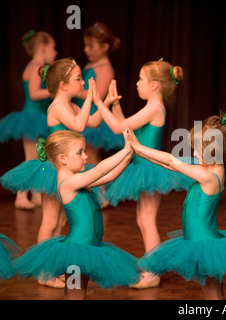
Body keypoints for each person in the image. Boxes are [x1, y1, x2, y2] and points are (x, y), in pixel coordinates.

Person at [0, 58, 109, 288]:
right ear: (63, 85)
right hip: (52, 171)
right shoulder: (58, 107)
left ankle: (52, 267)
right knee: (50, 220)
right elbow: (78, 126)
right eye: (78, 79)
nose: (83, 83)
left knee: (60, 220)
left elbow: (92, 121)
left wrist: (104, 101)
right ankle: (43, 273)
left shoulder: (71, 105)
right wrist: (89, 98)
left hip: (67, 170)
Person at [131, 113, 226, 299]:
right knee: (212, 289)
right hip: (200, 240)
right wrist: (140, 151)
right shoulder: (212, 167)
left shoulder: (209, 176)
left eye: (198, 150)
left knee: (212, 291)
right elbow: (170, 165)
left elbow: (171, 161)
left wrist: (139, 148)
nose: (194, 154)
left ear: (213, 151)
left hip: (203, 243)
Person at [93, 59, 194, 288]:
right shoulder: (152, 106)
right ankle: (151, 265)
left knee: (147, 220)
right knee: (143, 219)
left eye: (141, 79)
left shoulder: (154, 108)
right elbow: (128, 130)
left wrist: (99, 103)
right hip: (144, 168)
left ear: (155, 85)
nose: (137, 83)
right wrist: (115, 106)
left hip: (151, 170)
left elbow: (119, 128)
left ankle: (152, 272)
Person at [12, 129, 140, 300]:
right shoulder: (68, 183)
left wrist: (128, 156)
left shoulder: (78, 179)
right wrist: (124, 150)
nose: (86, 156)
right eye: (79, 152)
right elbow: (100, 170)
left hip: (89, 248)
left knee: (78, 293)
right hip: (76, 250)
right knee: (75, 294)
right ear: (62, 159)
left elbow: (108, 176)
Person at [0, 30, 57, 209]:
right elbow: (33, 93)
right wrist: (54, 91)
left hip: (37, 117)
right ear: (42, 47)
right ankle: (21, 196)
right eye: (53, 47)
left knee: (39, 158)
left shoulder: (37, 67)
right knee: (31, 158)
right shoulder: (35, 67)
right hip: (31, 118)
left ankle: (35, 195)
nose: (55, 52)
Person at [73, 22, 124, 164]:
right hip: (82, 112)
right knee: (80, 155)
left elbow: (99, 95)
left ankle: (96, 186)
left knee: (88, 156)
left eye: (91, 46)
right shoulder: (91, 64)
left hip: (93, 115)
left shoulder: (105, 68)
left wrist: (75, 91)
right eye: (85, 45)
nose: (86, 50)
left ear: (105, 47)